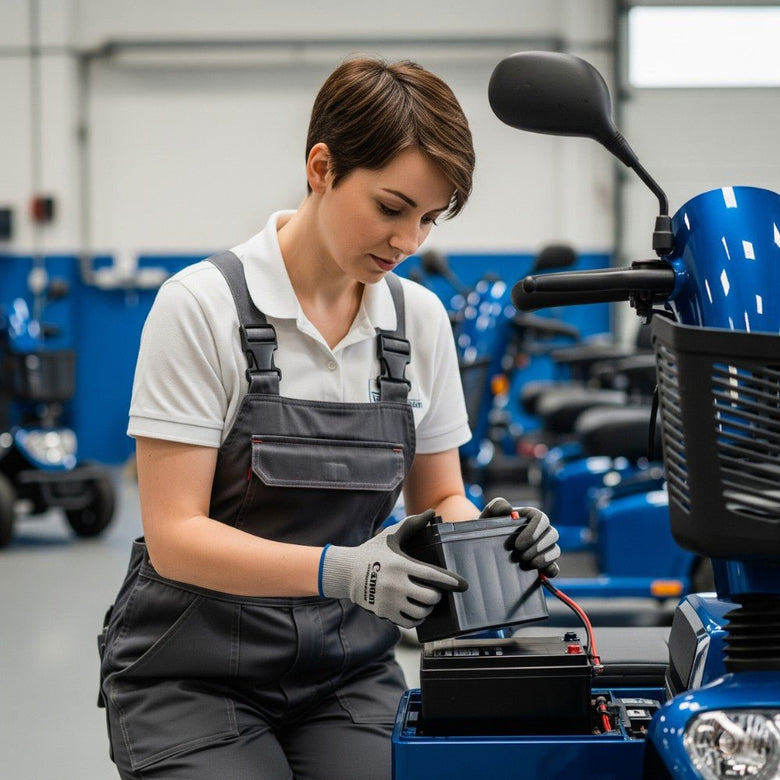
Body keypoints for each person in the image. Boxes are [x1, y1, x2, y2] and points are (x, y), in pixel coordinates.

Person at [98, 56, 561, 780]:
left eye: (429, 219)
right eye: (391, 206)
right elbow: (175, 539)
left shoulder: (418, 321)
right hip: (190, 673)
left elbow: (441, 496)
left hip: (344, 673)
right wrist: (340, 571)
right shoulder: (201, 307)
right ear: (322, 166)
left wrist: (497, 538)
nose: (409, 241)